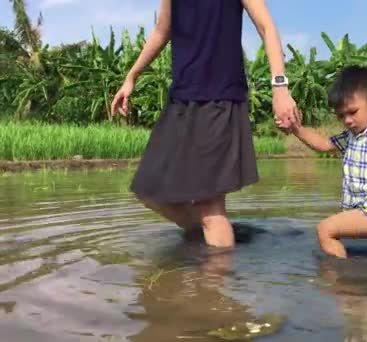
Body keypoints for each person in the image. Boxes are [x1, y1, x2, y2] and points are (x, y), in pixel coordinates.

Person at [110, 0, 299, 248]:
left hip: (220, 97)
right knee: (148, 190)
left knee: (209, 206)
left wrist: (280, 87)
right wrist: (131, 77)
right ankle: (210, 242)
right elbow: (161, 30)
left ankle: (213, 280)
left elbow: (267, 28)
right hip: (181, 98)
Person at [284, 65, 367, 265]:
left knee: (325, 230)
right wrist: (296, 129)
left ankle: (344, 280)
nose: (348, 120)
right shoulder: (354, 136)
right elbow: (324, 145)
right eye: (342, 116)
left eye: (352, 112)